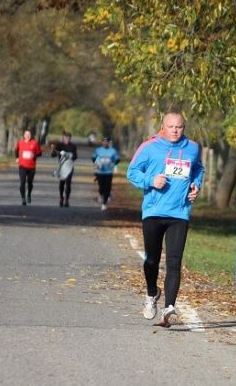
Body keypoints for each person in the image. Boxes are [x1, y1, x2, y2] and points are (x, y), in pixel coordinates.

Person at [126, 111, 204, 327]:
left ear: (184, 127)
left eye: (179, 127)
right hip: (153, 211)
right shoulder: (149, 146)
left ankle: (169, 307)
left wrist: (196, 184)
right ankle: (152, 293)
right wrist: (151, 180)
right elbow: (132, 172)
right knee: (152, 259)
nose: (175, 131)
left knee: (174, 260)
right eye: (171, 127)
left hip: (179, 213)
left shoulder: (193, 147)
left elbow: (198, 168)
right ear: (163, 126)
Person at [14, 129, 43, 206]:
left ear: (31, 135)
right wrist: (16, 157)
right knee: (22, 182)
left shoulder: (35, 143)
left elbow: (40, 153)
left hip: (31, 167)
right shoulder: (20, 143)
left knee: (30, 183)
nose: (27, 136)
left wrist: (34, 155)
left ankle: (29, 194)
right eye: (26, 134)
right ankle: (23, 198)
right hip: (22, 166)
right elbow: (16, 150)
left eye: (29, 134)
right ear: (24, 135)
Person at [92, 136, 121, 211]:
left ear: (109, 142)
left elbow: (117, 159)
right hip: (100, 172)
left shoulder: (113, 151)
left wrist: (113, 163)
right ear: (102, 142)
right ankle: (101, 195)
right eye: (104, 141)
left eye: (106, 141)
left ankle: (104, 203)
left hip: (108, 172)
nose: (105, 143)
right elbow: (93, 158)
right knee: (101, 187)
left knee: (108, 188)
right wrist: (97, 163)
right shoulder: (98, 150)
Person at [50, 132, 77, 207]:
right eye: (65, 138)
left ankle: (67, 200)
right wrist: (56, 152)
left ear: (70, 139)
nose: (66, 139)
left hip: (69, 167)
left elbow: (75, 157)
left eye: (68, 138)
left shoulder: (73, 146)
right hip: (61, 168)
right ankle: (61, 197)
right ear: (63, 138)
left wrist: (68, 155)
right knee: (62, 184)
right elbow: (53, 155)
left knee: (68, 184)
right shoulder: (59, 145)